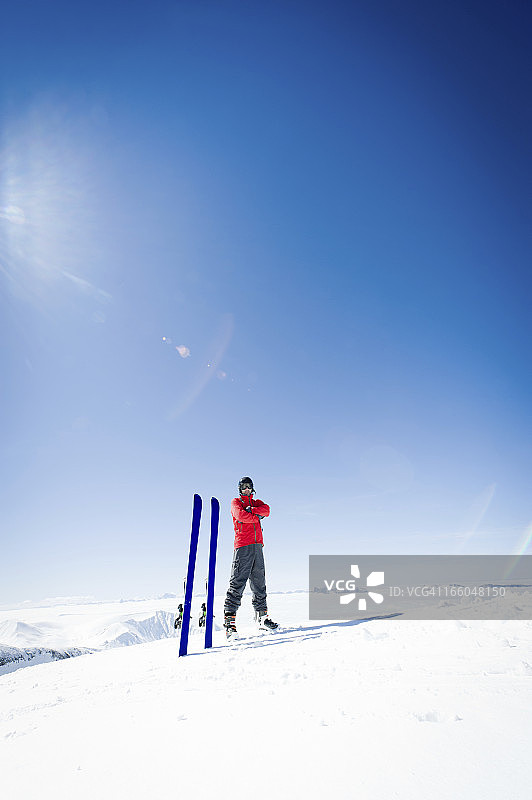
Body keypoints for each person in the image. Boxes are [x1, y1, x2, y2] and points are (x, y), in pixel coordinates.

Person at [224, 477, 279, 638]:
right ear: (239, 489)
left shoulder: (256, 503)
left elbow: (267, 510)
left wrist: (252, 510)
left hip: (257, 547)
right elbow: (241, 516)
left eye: (249, 486)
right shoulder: (236, 502)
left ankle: (262, 618)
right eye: (243, 487)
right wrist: (256, 516)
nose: (246, 489)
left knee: (259, 583)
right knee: (237, 583)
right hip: (242, 546)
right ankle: (230, 622)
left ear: (252, 488)